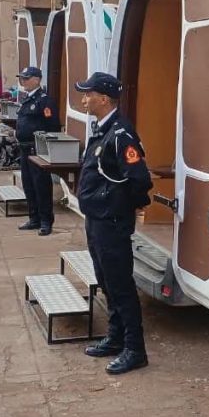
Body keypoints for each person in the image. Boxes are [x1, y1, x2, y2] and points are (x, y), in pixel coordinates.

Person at [76, 72, 153, 375]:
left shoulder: (121, 134)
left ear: (104, 99)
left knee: (121, 286)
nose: (84, 99)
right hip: (97, 220)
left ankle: (135, 349)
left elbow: (140, 180)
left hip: (111, 222)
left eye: (88, 94)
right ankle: (116, 336)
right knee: (106, 281)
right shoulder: (103, 129)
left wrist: (121, 206)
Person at [15, 66, 60, 236]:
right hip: (24, 148)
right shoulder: (26, 98)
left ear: (37, 79)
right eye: (22, 78)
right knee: (28, 185)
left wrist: (47, 148)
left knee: (41, 186)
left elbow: (53, 126)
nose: (23, 81)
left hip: (37, 149)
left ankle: (45, 221)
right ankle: (34, 218)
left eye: (26, 78)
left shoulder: (44, 100)